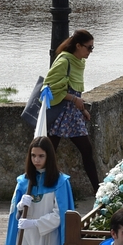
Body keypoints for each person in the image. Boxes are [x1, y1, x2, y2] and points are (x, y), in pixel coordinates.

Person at [45, 29, 100, 195]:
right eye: (88, 47)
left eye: (92, 48)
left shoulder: (79, 62)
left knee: (86, 150)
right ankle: (41, 188)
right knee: (48, 153)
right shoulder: (64, 61)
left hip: (73, 113)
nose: (90, 51)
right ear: (78, 45)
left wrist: (82, 109)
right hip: (60, 112)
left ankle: (98, 191)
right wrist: (74, 99)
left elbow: (76, 91)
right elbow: (49, 87)